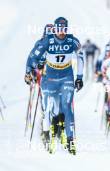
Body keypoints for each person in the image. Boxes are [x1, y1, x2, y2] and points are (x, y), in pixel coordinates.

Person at [24, 17, 84, 155]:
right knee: (50, 107)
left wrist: (79, 77)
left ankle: (69, 139)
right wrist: (29, 71)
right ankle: (47, 132)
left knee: (66, 107)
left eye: (64, 29)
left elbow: (81, 57)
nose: (61, 32)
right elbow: (33, 56)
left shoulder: (72, 41)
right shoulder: (45, 41)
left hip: (66, 77)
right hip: (49, 77)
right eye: (58, 29)